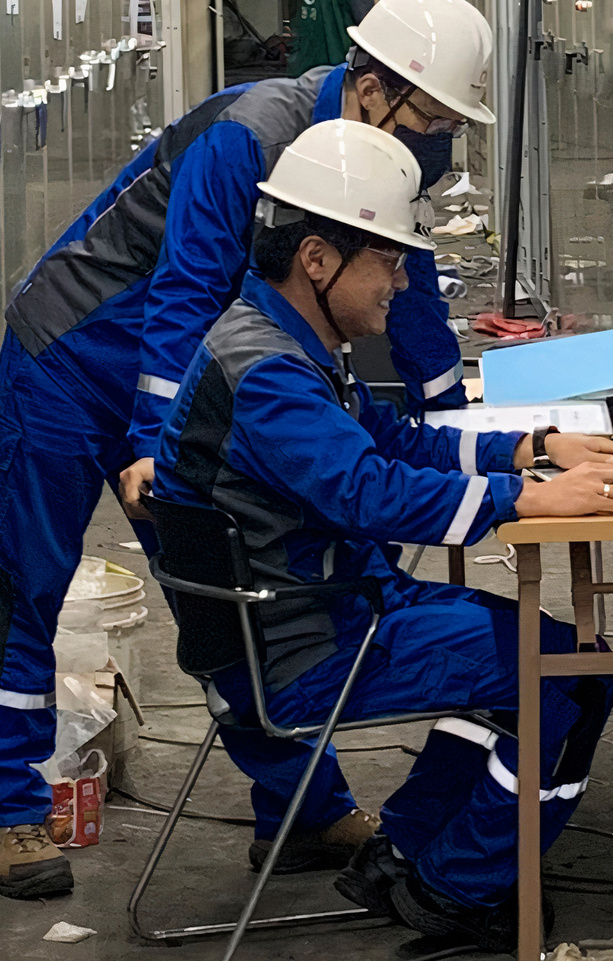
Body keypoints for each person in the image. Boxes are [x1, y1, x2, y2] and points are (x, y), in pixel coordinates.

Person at [0, 0, 489, 899]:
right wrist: (151, 445)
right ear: (372, 87)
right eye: (432, 119)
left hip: (191, 380)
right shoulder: (249, 134)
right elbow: (184, 291)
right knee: (27, 584)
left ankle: (302, 812)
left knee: (238, 603)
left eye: (451, 123)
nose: (439, 143)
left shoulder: (387, 153)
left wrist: (444, 418)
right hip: (76, 359)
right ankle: (7, 810)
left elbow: (404, 283)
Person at [154, 120, 613, 950]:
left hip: (327, 613)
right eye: (388, 258)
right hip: (309, 648)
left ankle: (413, 854)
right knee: (566, 672)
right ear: (316, 258)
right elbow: (370, 491)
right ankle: (456, 891)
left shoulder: (283, 345)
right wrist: (526, 502)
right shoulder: (268, 373)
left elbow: (397, 441)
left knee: (562, 664)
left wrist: (533, 449)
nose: (405, 279)